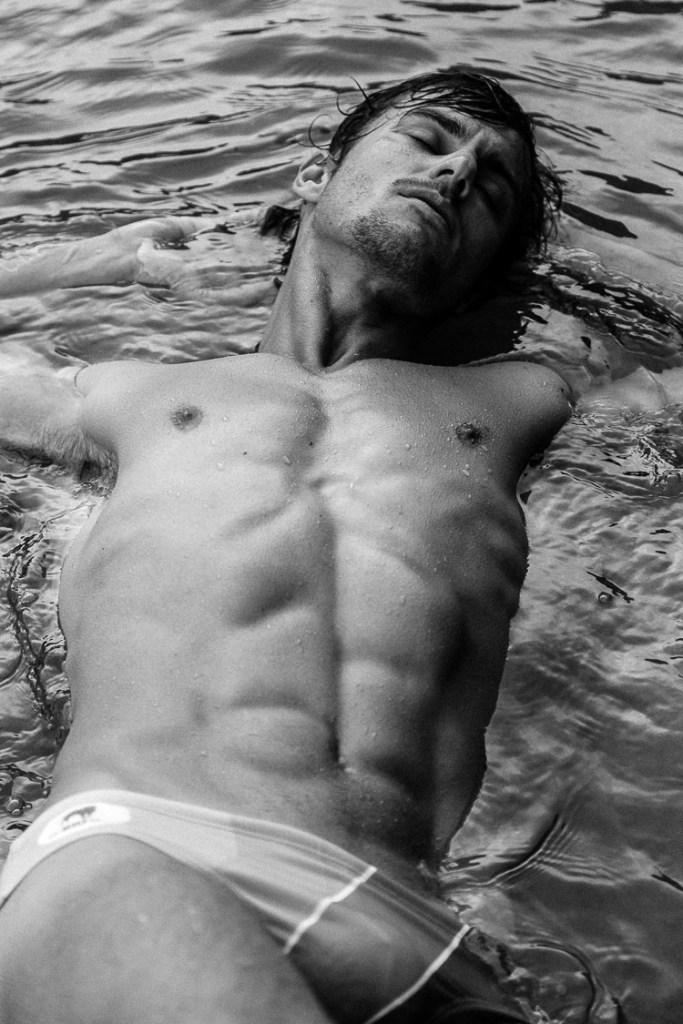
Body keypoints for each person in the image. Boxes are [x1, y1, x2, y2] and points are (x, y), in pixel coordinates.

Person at [0, 69, 581, 1024]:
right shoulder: (123, 396)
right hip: (143, 847)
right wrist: (92, 261)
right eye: (429, 139)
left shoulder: (518, 401)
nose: (456, 174)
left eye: (492, 189)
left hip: (418, 920)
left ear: (489, 268)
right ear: (316, 175)